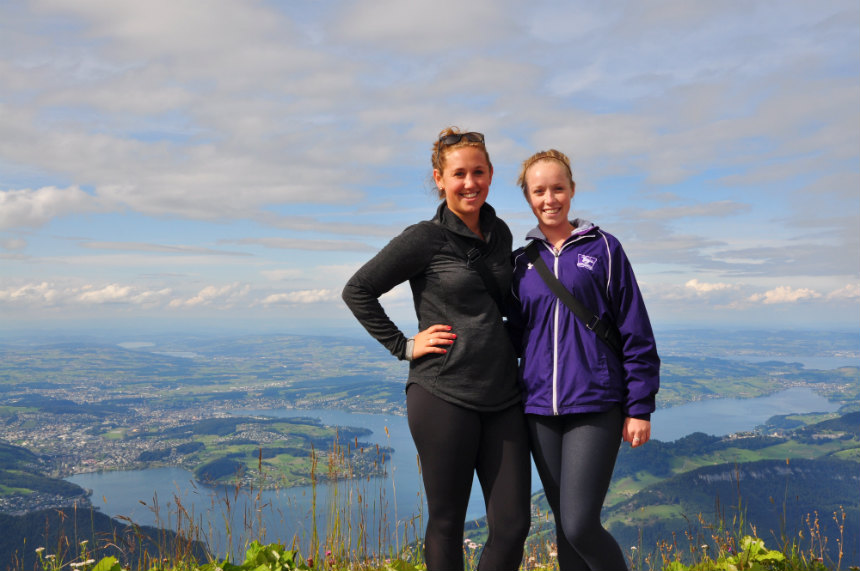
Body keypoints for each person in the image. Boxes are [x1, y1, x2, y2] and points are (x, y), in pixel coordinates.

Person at [341, 127, 531, 570]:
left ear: (490, 175)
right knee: (447, 521)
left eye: (478, 172)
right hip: (443, 394)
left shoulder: (499, 232)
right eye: (459, 174)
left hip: (503, 394)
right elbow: (358, 290)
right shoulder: (424, 238)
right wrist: (403, 346)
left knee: (513, 524)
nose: (470, 183)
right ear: (439, 179)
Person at [510, 149, 660, 570]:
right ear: (528, 197)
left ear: (572, 190)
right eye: (539, 191)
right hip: (538, 408)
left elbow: (636, 330)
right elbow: (515, 336)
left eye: (558, 188)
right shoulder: (521, 262)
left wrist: (640, 406)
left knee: (579, 524)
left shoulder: (605, 249)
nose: (549, 198)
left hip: (595, 403)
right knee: (563, 526)